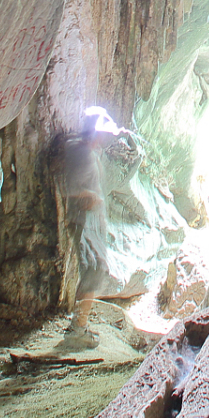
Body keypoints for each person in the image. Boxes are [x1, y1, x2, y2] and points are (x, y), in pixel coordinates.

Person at [58, 106, 120, 349]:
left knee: (93, 268)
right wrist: (93, 198)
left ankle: (78, 324)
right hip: (83, 221)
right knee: (94, 268)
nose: (105, 138)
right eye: (102, 133)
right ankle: (77, 329)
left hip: (87, 220)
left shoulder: (83, 150)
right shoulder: (82, 154)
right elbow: (72, 188)